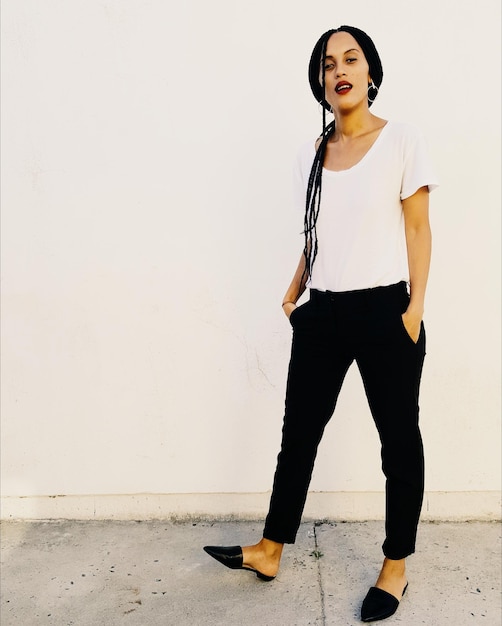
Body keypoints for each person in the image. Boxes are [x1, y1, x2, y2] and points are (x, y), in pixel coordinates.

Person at [204, 25, 438, 622]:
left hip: (387, 311)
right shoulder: (317, 152)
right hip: (323, 312)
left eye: (350, 59)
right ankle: (271, 548)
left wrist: (413, 309)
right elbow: (314, 234)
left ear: (369, 71)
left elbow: (417, 227)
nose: (340, 70)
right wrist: (293, 297)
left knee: (398, 444)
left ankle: (396, 567)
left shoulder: (402, 139)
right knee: (298, 437)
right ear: (320, 82)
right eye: (328, 63)